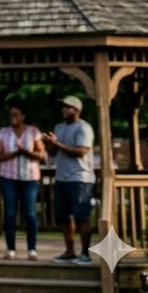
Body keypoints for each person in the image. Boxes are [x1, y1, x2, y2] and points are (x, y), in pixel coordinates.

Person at [42, 95, 96, 264]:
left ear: (77, 110)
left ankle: (85, 254)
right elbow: (53, 153)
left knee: (82, 217)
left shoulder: (84, 128)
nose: (63, 109)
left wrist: (57, 144)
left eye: (67, 107)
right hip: (61, 178)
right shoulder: (59, 127)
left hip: (81, 178)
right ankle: (69, 252)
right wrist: (49, 144)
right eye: (63, 107)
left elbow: (81, 151)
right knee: (63, 217)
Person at [0, 102, 45, 260]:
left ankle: (32, 249)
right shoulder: (3, 132)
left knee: (30, 213)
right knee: (10, 213)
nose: (13, 117)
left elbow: (41, 155)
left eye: (16, 114)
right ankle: (10, 248)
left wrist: (26, 152)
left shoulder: (33, 131)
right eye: (10, 115)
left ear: (23, 116)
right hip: (8, 178)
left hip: (30, 178)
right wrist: (15, 153)